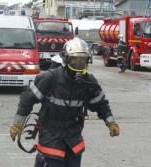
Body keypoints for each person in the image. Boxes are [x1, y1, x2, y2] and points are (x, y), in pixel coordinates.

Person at [10, 37, 120, 167]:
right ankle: (42, 160)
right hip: (51, 133)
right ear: (66, 59)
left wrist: (110, 122)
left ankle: (41, 161)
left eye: (82, 59)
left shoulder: (88, 81)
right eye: (75, 59)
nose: (79, 63)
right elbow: (27, 99)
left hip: (73, 135)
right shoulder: (50, 78)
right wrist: (18, 124)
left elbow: (100, 103)